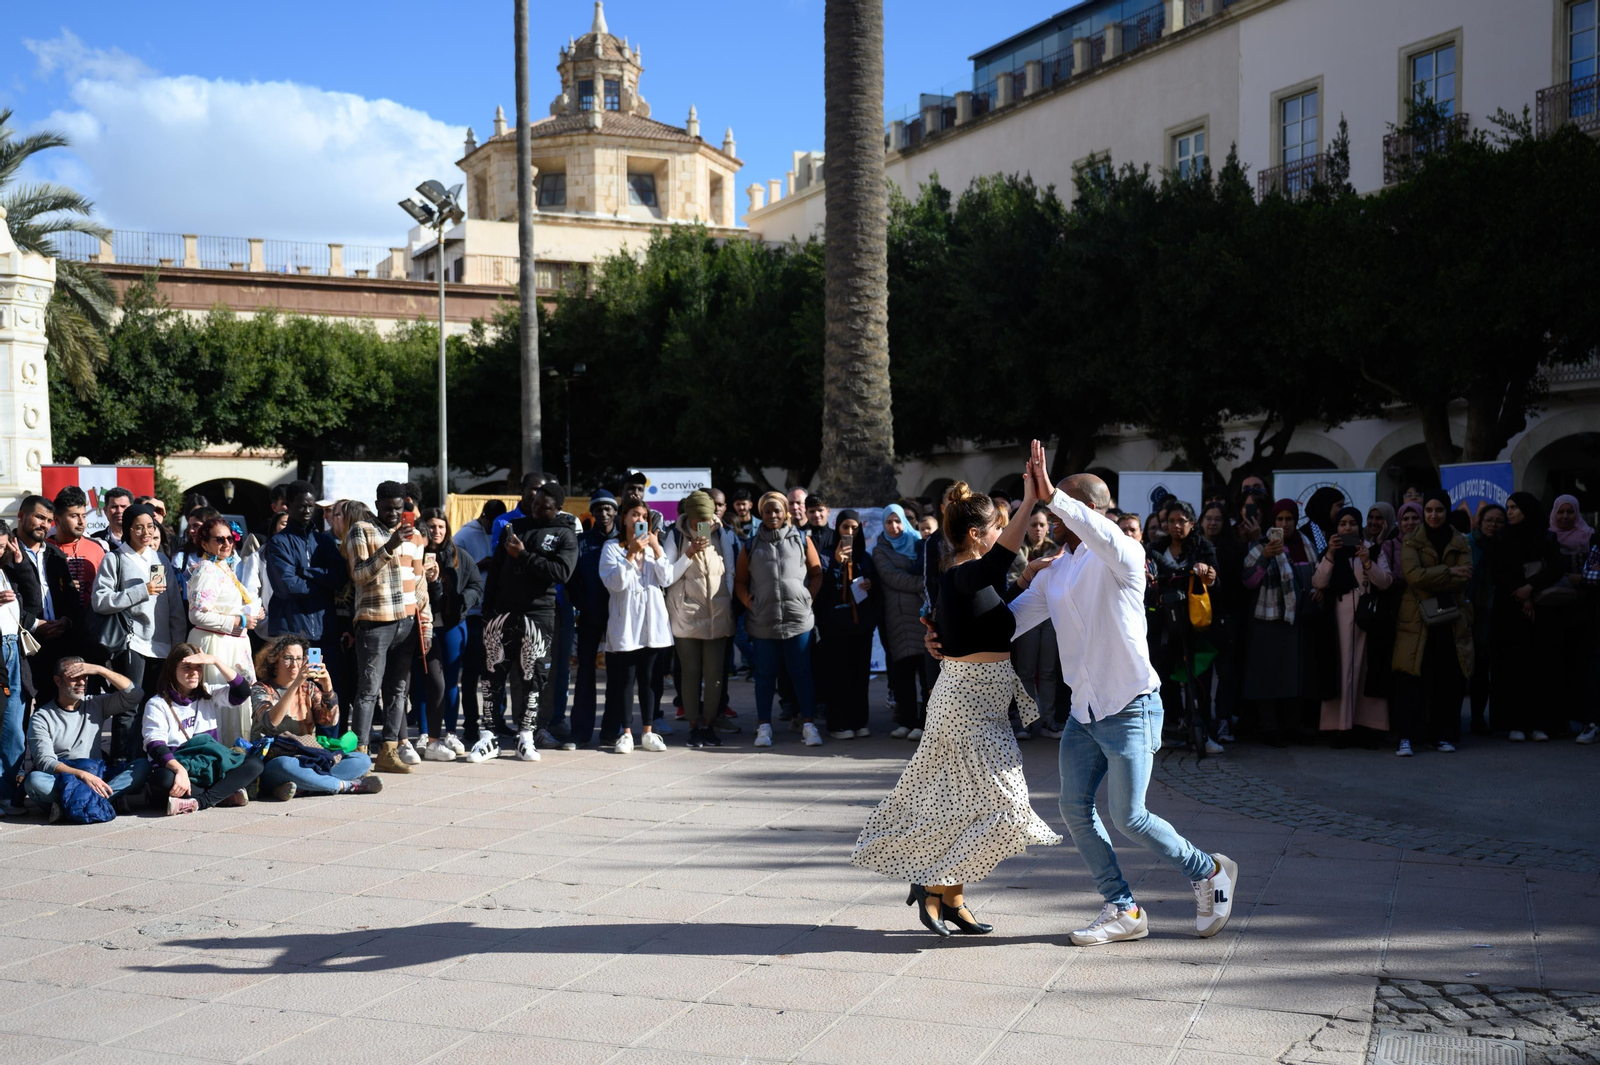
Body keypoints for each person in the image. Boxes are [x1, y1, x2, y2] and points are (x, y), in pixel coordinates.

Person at [1001, 450, 1238, 946]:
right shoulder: (1056, 569)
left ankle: (1208, 871)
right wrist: (953, 634)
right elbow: (1011, 622)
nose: (1051, 517)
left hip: (1131, 706)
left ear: (1084, 508)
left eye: (1061, 508)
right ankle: (1123, 908)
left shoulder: (1126, 553)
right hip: (1083, 714)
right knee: (1073, 807)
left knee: (1129, 816)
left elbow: (1101, 531)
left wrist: (1055, 496)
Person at [854, 457, 1060, 937]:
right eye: (999, 529)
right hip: (966, 705)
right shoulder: (963, 573)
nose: (1006, 536)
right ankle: (933, 882)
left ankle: (951, 898)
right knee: (1006, 806)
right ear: (976, 536)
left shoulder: (974, 583)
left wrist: (1028, 581)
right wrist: (1031, 499)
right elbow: (994, 566)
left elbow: (990, 610)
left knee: (965, 804)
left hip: (978, 703)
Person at [469, 482, 577, 763]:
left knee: (533, 677)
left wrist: (525, 556)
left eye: (545, 506)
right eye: (535, 503)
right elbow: (496, 571)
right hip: (502, 613)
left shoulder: (565, 534)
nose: (538, 509)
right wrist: (488, 608)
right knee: (492, 674)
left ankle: (526, 737)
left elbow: (561, 572)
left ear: (558, 509)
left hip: (539, 615)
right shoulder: (512, 527)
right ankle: (488, 737)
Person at [89, 502, 187, 759]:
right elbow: (100, 601)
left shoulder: (160, 559)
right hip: (132, 643)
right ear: (128, 530)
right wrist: (142, 590)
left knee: (154, 706)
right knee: (129, 705)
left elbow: (174, 606)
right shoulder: (115, 558)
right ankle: (122, 762)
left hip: (163, 646)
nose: (145, 532)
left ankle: (148, 763)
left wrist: (178, 644)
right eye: (139, 527)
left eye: (150, 527)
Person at [347, 483, 432, 772]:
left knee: (398, 691)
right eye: (387, 508)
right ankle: (359, 753)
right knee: (369, 690)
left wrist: (427, 625)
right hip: (374, 622)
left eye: (399, 508)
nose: (394, 513)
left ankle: (389, 751)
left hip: (407, 624)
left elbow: (420, 585)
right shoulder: (362, 529)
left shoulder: (417, 536)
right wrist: (390, 546)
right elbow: (359, 574)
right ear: (377, 503)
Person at [736, 491, 823, 748]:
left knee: (802, 673)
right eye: (767, 511)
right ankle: (764, 726)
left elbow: (817, 573)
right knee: (764, 675)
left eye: (777, 511)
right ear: (760, 514)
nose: (772, 515)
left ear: (786, 512)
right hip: (763, 622)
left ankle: (808, 724)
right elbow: (740, 582)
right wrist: (751, 604)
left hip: (798, 621)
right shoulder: (750, 545)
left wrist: (808, 598)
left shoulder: (803, 540)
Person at [1392, 490, 1473, 757]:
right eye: (1428, 510)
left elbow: (1465, 577)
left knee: (1447, 679)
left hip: (1449, 621)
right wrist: (1449, 571)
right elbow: (1414, 576)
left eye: (1438, 510)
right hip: (1416, 620)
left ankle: (1443, 735)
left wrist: (1436, 577)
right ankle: (1407, 737)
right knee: (1412, 678)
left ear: (1447, 511)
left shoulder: (1460, 540)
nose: (1433, 515)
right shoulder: (1411, 541)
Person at [250, 634, 379, 798]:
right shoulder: (261, 688)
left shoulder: (309, 687)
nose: (295, 664)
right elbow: (270, 722)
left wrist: (327, 687)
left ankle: (305, 786)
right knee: (286, 765)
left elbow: (330, 721)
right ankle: (345, 786)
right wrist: (295, 684)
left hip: (310, 758)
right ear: (274, 660)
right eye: (288, 658)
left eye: (299, 658)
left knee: (361, 760)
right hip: (276, 759)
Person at [142, 644, 263, 815]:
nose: (193, 673)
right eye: (186, 667)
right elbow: (154, 745)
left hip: (208, 766)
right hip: (179, 767)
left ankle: (200, 801)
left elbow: (242, 692)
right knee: (163, 779)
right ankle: (222, 795)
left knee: (254, 764)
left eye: (198, 667)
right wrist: (180, 770)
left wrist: (215, 661)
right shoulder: (157, 704)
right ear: (171, 670)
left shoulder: (208, 693)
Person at [23, 658, 149, 819]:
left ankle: (70, 806)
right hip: (65, 778)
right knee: (34, 781)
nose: (81, 682)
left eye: (85, 676)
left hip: (97, 775)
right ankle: (105, 800)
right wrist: (81, 775)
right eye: (75, 677)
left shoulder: (95, 703)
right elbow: (44, 761)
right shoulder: (42, 717)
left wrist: (100, 670)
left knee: (142, 766)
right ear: (58, 681)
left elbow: (135, 695)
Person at [1311, 506, 1393, 746]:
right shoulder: (1330, 552)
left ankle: (1368, 726)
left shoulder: (1372, 550)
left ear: (1360, 527)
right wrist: (1330, 555)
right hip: (1338, 620)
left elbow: (1385, 582)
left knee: (1366, 670)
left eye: (1352, 524)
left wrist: (1368, 562)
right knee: (1342, 669)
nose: (1348, 528)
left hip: (1367, 620)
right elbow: (1318, 581)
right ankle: (1340, 726)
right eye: (1343, 524)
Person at [662, 490, 737, 748]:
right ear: (689, 515)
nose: (701, 524)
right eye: (697, 520)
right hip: (686, 615)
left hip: (718, 613)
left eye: (706, 518)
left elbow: (731, 569)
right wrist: (690, 553)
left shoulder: (721, 533)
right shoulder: (674, 534)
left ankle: (709, 724)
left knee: (715, 674)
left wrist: (726, 600)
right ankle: (693, 726)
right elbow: (668, 576)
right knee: (691, 673)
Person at [1241, 500, 1319, 747]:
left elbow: (1316, 577)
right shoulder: (1261, 547)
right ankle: (1270, 728)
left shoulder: (1306, 546)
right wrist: (1265, 557)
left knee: (1295, 676)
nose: (1284, 524)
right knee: (1269, 676)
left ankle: (1292, 727)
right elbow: (1249, 581)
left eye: (1289, 519)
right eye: (1279, 520)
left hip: (1298, 620)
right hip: (1270, 621)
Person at [599, 499, 674, 753]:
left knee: (650, 679)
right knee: (625, 680)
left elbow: (667, 579)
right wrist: (630, 554)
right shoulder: (612, 547)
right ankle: (627, 733)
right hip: (627, 623)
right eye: (634, 515)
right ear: (624, 519)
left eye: (644, 516)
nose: (640, 520)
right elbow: (614, 584)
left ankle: (649, 732)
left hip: (652, 623)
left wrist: (658, 550)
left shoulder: (654, 548)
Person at [407, 509, 481, 760]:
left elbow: (476, 585)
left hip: (451, 626)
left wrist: (464, 602)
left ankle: (450, 732)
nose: (436, 531)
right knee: (423, 680)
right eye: (431, 526)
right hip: (420, 626)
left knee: (450, 681)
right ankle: (425, 733)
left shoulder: (460, 555)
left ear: (447, 529)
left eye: (441, 526)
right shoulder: (413, 552)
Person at [1148, 502, 1221, 753]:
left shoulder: (1203, 547)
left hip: (1195, 625)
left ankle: (1203, 732)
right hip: (1164, 625)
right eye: (1171, 521)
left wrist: (1207, 573)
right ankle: (1173, 728)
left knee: (1199, 680)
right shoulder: (1156, 549)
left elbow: (1216, 580)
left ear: (1192, 523)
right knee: (1166, 678)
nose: (1176, 526)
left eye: (1182, 521)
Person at [185, 517, 263, 743]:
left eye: (230, 538)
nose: (227, 543)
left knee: (236, 705)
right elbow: (196, 614)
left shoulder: (223, 567)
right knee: (220, 707)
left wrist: (251, 614)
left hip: (232, 644)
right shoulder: (207, 570)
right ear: (204, 543)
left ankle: (237, 755)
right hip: (216, 644)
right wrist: (239, 619)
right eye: (219, 539)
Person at [264, 483, 346, 688]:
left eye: (311, 506)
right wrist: (324, 584)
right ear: (289, 506)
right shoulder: (278, 542)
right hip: (291, 631)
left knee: (323, 692)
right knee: (294, 693)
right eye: (302, 506)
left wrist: (309, 573)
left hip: (323, 631)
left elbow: (340, 577)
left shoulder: (324, 542)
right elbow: (287, 586)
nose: (308, 511)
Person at [816, 510, 879, 739]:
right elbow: (821, 590)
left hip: (860, 628)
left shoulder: (865, 557)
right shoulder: (825, 555)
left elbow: (876, 593)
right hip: (834, 628)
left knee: (859, 676)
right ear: (837, 529)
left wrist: (871, 585)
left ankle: (859, 721)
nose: (850, 532)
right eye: (845, 528)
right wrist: (835, 563)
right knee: (837, 676)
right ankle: (838, 723)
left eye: (854, 528)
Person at [454, 498, 507, 740]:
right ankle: (471, 725)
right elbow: (452, 571)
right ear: (483, 516)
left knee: (496, 671)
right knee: (472, 673)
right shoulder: (464, 535)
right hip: (473, 615)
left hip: (496, 613)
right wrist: (480, 564)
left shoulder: (504, 531)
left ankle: (496, 720)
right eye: (489, 524)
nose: (491, 529)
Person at [1008, 503, 1062, 741]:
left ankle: (1048, 722)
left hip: (1051, 614)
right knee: (1026, 671)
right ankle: (1026, 723)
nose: (1038, 529)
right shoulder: (1016, 550)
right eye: (1033, 525)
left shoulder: (1059, 549)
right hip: (1026, 614)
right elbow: (1012, 580)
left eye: (1042, 524)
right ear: (1026, 527)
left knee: (1048, 671)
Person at [874, 503, 928, 740]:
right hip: (898, 619)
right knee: (903, 673)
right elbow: (893, 578)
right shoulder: (880, 550)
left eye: (898, 521)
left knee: (927, 674)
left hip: (924, 616)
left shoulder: (919, 541)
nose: (894, 527)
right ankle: (906, 721)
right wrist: (924, 583)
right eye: (889, 522)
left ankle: (925, 722)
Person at [568, 490, 617, 748]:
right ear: (592, 513)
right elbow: (572, 579)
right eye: (599, 509)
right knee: (585, 673)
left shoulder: (626, 539)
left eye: (609, 508)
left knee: (617, 674)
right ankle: (581, 730)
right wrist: (582, 604)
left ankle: (612, 730)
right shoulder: (582, 540)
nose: (604, 513)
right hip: (589, 615)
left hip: (619, 617)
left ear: (616, 512)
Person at [17, 495, 82, 683]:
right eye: (39, 517)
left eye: (48, 520)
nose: (44, 524)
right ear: (21, 516)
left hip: (58, 644)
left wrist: (66, 621)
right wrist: (36, 625)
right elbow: (8, 601)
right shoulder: (7, 552)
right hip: (22, 645)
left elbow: (71, 597)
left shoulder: (55, 554)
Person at [1466, 503, 1505, 736]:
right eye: (1489, 520)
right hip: (1470, 609)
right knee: (1471, 667)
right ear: (1479, 521)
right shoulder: (1468, 543)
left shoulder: (1506, 545)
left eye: (1499, 520)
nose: (1494, 525)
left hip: (1496, 610)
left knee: (1487, 667)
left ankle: (1482, 717)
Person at [51, 486, 108, 627]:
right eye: (74, 516)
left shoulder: (97, 548)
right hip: (52, 627)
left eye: (83, 516)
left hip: (91, 628)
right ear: (57, 520)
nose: (81, 522)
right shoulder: (44, 548)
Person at [92, 486, 133, 551]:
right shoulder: (94, 541)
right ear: (105, 510)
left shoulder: (140, 539)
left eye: (123, 506)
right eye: (114, 507)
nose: (119, 511)